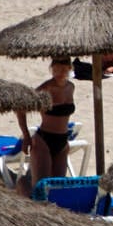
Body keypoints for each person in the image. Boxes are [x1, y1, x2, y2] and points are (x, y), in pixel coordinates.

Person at [15, 57, 75, 193]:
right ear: (51, 69)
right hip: (44, 140)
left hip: (62, 141)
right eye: (57, 69)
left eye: (64, 69)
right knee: (40, 188)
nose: (60, 73)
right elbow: (20, 108)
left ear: (70, 69)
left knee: (57, 190)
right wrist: (26, 136)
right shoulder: (46, 89)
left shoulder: (71, 87)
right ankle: (21, 186)